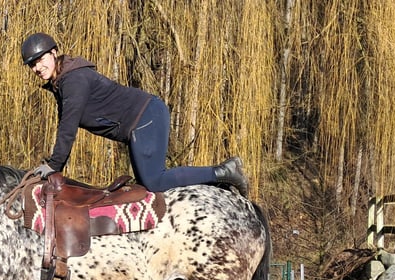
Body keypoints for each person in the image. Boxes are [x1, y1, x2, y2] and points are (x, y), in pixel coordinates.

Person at [21, 32, 249, 195]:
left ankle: (224, 172)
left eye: (41, 59)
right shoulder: (62, 82)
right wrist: (53, 163)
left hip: (146, 116)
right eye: (32, 65)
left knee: (155, 181)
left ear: (54, 53)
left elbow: (68, 128)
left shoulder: (73, 80)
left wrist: (54, 165)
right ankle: (217, 186)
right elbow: (66, 124)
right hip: (140, 121)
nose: (38, 68)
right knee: (145, 185)